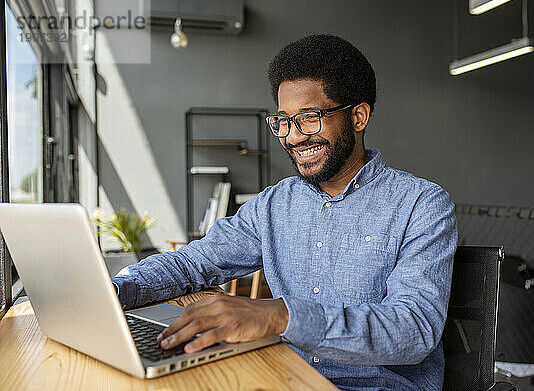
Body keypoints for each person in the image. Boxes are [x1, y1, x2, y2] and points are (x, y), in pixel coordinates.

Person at [112, 34, 457, 391]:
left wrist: (281, 314)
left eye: (309, 118)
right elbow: (191, 263)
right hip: (283, 377)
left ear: (358, 117)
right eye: (284, 121)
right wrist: (115, 291)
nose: (293, 137)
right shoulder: (275, 204)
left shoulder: (422, 205)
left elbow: (414, 329)